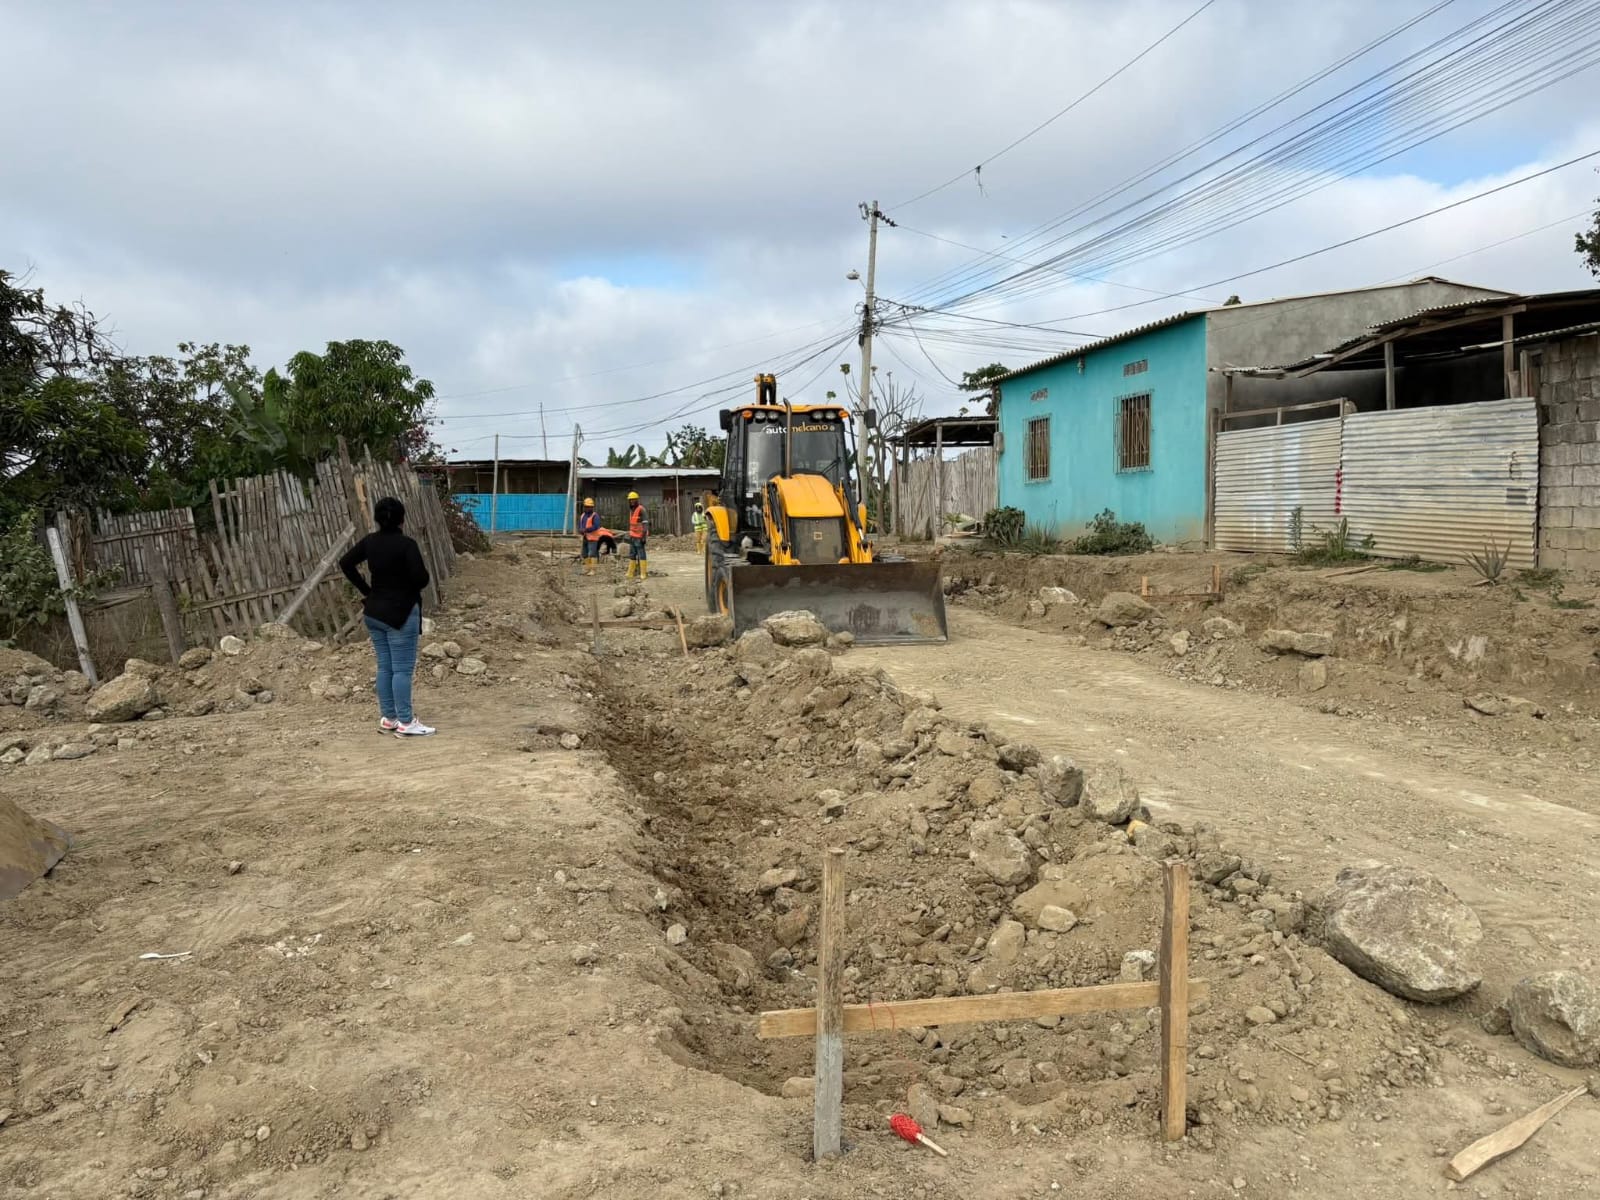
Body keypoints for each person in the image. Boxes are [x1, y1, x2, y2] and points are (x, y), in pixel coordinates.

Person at [339, 496, 435, 738]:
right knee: (402, 670)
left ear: (377, 519)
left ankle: (389, 718)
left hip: (374, 612)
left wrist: (367, 591)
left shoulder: (370, 542)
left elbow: (345, 562)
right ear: (402, 519)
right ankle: (406, 722)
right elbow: (421, 579)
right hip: (401, 613)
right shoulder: (407, 545)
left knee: (385, 667)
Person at [626, 490, 649, 579]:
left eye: (633, 499)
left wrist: (643, 536)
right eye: (630, 500)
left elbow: (645, 523)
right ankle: (630, 572)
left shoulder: (641, 509)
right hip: (632, 536)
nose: (632, 501)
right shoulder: (631, 510)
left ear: (637, 500)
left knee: (641, 554)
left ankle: (643, 573)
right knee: (632, 554)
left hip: (639, 536)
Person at [578, 497, 602, 575]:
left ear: (592, 507)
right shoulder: (583, 515)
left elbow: (596, 526)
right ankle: (587, 569)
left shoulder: (595, 516)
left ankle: (593, 570)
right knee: (584, 554)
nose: (588, 508)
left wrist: (586, 530)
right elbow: (580, 525)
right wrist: (581, 530)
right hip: (585, 537)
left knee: (592, 554)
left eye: (589, 507)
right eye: (586, 507)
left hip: (593, 538)